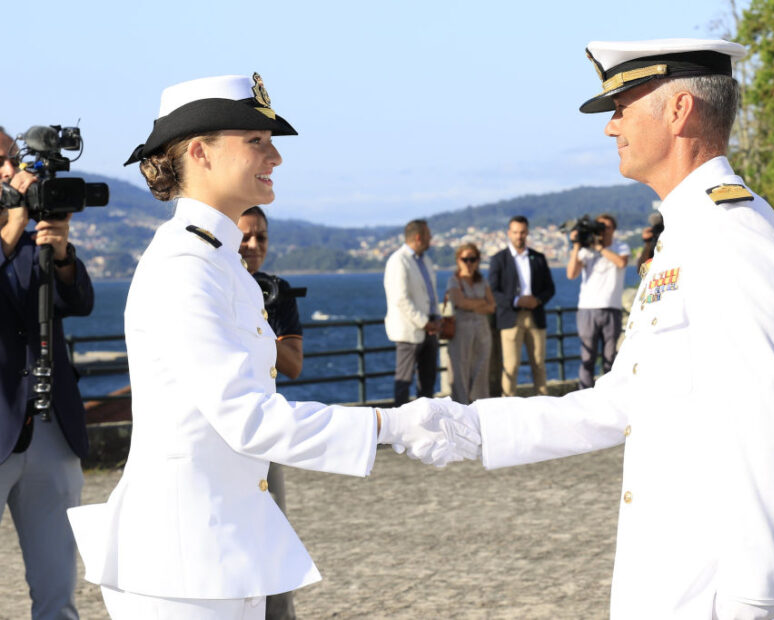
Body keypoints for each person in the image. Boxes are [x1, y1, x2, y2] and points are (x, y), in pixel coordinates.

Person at [65, 74, 478, 619]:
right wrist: (391, 425)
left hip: (216, 552)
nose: (275, 156)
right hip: (180, 564)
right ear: (199, 153)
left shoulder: (217, 260)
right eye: (256, 140)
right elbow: (249, 419)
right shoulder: (185, 268)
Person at [437, 39, 774, 618]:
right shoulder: (686, 230)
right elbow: (619, 404)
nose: (611, 128)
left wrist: (755, 596)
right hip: (672, 576)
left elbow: (771, 418)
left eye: (622, 106)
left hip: (717, 591)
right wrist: (455, 429)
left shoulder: (729, 231)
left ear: (678, 110)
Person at [1, 128, 95, 620]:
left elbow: (79, 302)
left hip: (49, 428)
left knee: (58, 592)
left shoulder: (32, 229)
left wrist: (61, 254)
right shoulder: (13, 230)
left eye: (10, 158)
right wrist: (11, 228)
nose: (7, 170)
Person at [237, 205, 303, 620]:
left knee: (272, 535)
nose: (253, 245)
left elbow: (293, 364)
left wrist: (254, 325)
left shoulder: (275, 291)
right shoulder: (213, 286)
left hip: (264, 431)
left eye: (261, 236)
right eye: (246, 236)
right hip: (220, 429)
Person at [488, 216, 555, 396]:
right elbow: (493, 291)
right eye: (516, 232)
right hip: (511, 318)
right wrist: (516, 301)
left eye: (522, 232)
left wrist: (538, 300)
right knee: (510, 366)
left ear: (527, 233)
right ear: (509, 233)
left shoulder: (538, 258)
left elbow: (550, 288)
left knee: (539, 364)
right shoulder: (498, 259)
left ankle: (544, 404)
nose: (519, 236)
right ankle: (506, 406)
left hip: (535, 316)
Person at [566, 213, 631, 388]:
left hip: (612, 307)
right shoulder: (586, 250)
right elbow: (571, 274)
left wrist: (600, 248)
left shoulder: (621, 247)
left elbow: (621, 263)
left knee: (610, 357)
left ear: (613, 230)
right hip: (587, 308)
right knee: (587, 357)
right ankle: (584, 394)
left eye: (606, 227)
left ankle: (611, 393)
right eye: (599, 227)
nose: (602, 230)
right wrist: (576, 245)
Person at [384, 219, 441, 406]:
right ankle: (400, 425)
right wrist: (425, 322)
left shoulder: (425, 261)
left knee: (428, 381)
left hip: (429, 328)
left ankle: (425, 421)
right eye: (428, 235)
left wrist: (436, 319)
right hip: (410, 331)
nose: (431, 239)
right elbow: (400, 298)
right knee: (404, 381)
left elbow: (430, 293)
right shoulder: (398, 261)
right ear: (418, 237)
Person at [445, 243, 496, 403]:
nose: (469, 263)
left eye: (472, 259)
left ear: (478, 260)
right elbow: (460, 303)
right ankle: (462, 406)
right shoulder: (454, 281)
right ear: (458, 260)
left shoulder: (483, 281)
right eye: (465, 259)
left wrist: (471, 304)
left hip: (482, 331)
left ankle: (480, 406)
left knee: (481, 368)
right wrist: (481, 302)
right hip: (461, 330)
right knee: (460, 370)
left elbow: (492, 306)